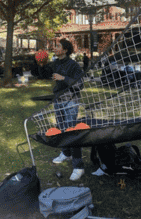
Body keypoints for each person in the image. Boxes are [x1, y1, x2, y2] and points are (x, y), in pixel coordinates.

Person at [49, 39, 86, 180]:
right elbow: (43, 72)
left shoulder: (74, 65)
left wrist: (63, 77)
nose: (55, 48)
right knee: (61, 128)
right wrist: (39, 64)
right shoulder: (56, 63)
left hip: (70, 101)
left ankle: (79, 167)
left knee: (71, 132)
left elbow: (80, 84)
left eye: (58, 46)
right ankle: (66, 153)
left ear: (65, 50)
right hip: (58, 100)